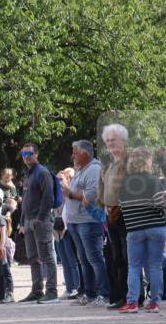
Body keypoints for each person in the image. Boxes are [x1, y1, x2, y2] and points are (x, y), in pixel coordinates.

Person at [118, 147, 165, 313]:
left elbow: (122, 206)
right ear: (147, 161)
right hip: (156, 227)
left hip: (134, 229)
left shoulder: (125, 182)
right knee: (155, 266)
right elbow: (161, 204)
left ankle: (132, 302)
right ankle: (154, 302)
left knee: (134, 266)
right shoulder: (153, 180)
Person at [64, 140, 109, 306]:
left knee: (95, 258)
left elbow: (91, 195)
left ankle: (104, 294)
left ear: (85, 154)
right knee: (83, 259)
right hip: (76, 221)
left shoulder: (94, 169)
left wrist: (70, 194)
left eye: (75, 152)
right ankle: (89, 294)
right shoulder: (82, 169)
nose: (73, 155)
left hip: (88, 221)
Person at [18, 143, 59, 303]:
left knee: (47, 256)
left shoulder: (42, 172)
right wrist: (22, 222)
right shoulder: (28, 174)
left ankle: (52, 292)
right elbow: (25, 201)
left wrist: (40, 219)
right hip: (28, 221)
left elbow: (48, 198)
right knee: (33, 257)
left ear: (36, 154)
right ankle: (36, 290)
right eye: (23, 154)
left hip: (40, 221)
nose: (26, 157)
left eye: (29, 153)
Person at [98, 123, 132, 309]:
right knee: (117, 257)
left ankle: (132, 296)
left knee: (128, 258)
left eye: (114, 140)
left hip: (126, 215)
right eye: (108, 140)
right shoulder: (109, 165)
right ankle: (121, 295)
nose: (110, 143)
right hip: (111, 215)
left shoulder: (130, 162)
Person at [54, 168, 83, 301]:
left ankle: (77, 287)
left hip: (68, 229)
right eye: (57, 179)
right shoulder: (55, 194)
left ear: (67, 180)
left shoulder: (70, 193)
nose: (58, 182)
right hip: (57, 231)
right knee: (64, 260)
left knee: (73, 260)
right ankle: (69, 287)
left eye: (61, 179)